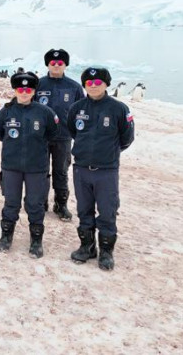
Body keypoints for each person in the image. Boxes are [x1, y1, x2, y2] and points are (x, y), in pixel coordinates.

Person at [67, 67, 135, 271]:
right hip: (81, 168)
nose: (93, 86)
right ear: (84, 85)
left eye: (98, 83)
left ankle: (106, 252)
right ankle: (87, 247)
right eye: (89, 83)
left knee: (107, 211)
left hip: (106, 170)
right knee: (84, 209)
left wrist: (109, 153)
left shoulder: (119, 109)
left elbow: (127, 138)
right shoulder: (77, 108)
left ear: (106, 84)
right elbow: (73, 131)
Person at [0, 71, 60, 257]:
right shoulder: (5, 112)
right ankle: (6, 236)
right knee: (11, 203)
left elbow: (53, 135)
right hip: (11, 166)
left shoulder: (45, 113)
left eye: (28, 89)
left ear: (33, 91)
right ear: (15, 90)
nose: (24, 92)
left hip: (36, 167)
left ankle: (36, 240)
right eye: (20, 89)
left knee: (35, 204)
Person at [37, 48, 84, 221]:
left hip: (64, 137)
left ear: (65, 65)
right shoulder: (38, 85)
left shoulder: (74, 87)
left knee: (61, 171)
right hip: (40, 138)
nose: (56, 66)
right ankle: (41, 202)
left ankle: (61, 204)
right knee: (40, 171)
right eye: (53, 63)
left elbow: (82, 112)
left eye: (60, 63)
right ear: (48, 64)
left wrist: (80, 136)